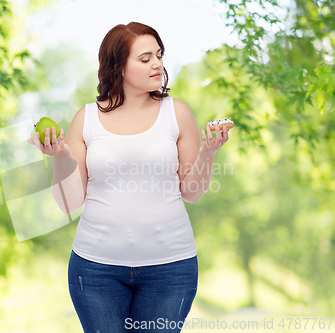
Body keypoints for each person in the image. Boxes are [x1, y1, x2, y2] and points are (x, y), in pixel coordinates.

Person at [28, 21, 230, 333]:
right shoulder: (86, 119)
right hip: (95, 271)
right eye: (145, 58)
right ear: (118, 67)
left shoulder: (177, 112)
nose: (157, 64)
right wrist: (59, 158)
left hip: (171, 269)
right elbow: (69, 202)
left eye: (159, 55)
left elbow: (191, 192)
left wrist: (209, 152)